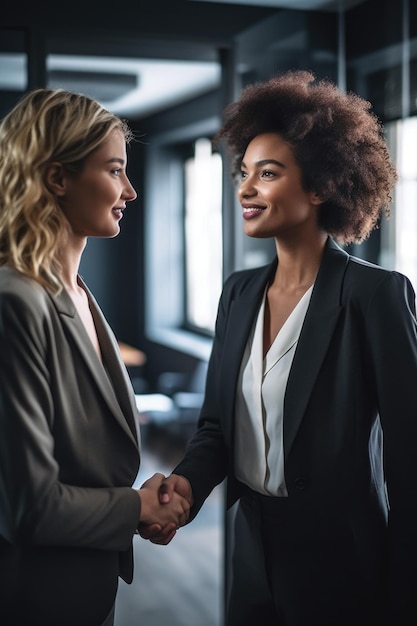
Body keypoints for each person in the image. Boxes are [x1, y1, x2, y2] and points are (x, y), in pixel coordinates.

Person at [140, 70, 417, 625]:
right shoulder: (238, 294)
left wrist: (406, 593)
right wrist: (186, 486)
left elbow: (409, 461)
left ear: (319, 186)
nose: (244, 189)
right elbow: (218, 429)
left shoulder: (375, 295)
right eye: (244, 173)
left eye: (267, 174)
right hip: (251, 552)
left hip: (348, 565)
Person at [0, 88, 190, 626]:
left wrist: (138, 502)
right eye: (114, 170)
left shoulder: (77, 292)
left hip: (88, 592)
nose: (130, 190)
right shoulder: (15, 301)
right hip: (35, 599)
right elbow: (28, 507)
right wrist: (139, 508)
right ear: (58, 178)